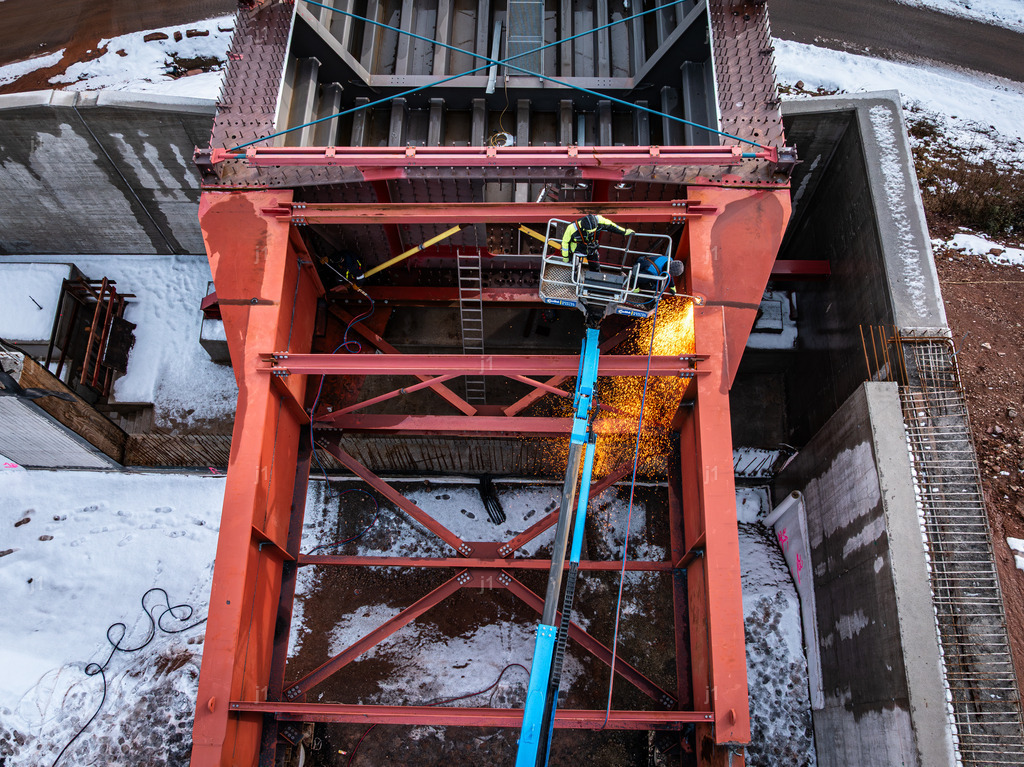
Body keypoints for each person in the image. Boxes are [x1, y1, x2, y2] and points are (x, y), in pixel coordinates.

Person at [560, 214, 634, 263]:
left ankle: (595, 277)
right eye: (589, 232)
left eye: (593, 231)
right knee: (575, 266)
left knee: (595, 265)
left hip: (592, 248)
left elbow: (612, 226)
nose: (591, 233)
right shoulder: (572, 228)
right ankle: (575, 275)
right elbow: (565, 242)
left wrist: (624, 231)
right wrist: (565, 256)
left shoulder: (600, 220)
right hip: (577, 249)